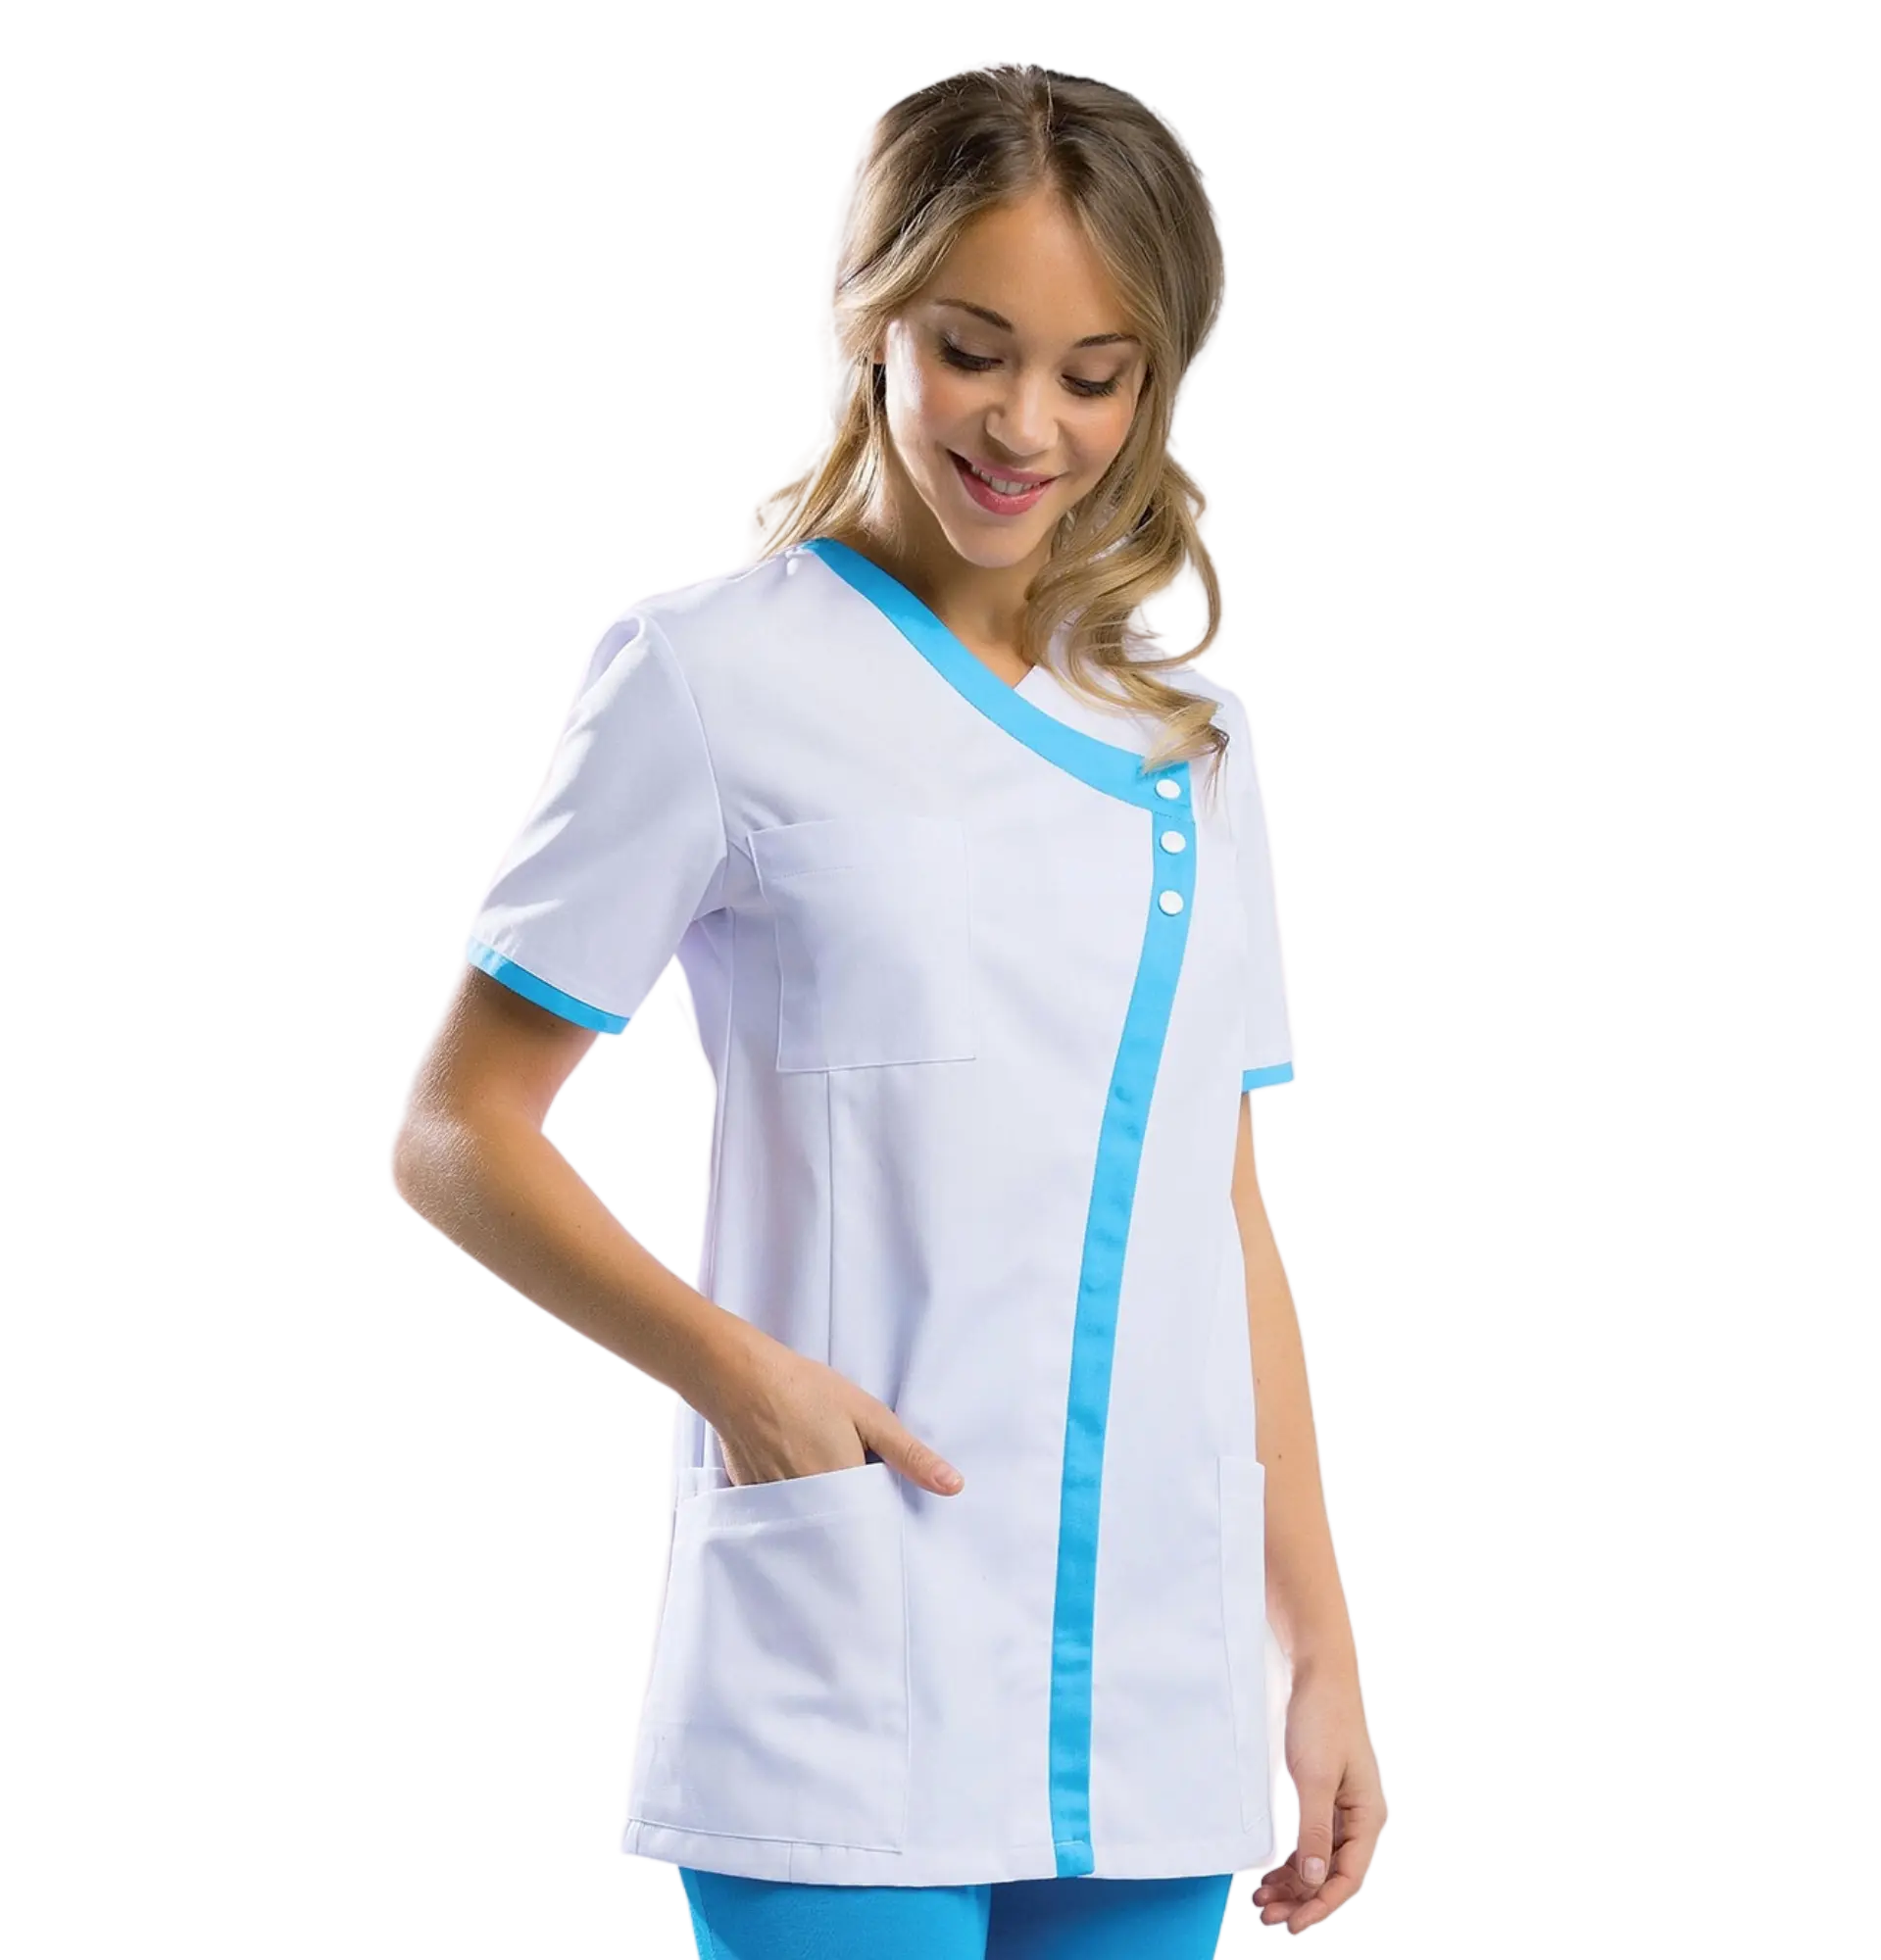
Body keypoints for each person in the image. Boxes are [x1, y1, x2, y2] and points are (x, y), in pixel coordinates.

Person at [385, 58, 1385, 1957]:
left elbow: (1225, 1207)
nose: (1025, 424)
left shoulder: (1195, 741)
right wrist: (741, 1382)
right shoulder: (707, 675)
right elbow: (456, 1129)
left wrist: (1315, 1652)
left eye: (1094, 374)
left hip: (1155, 1670)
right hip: (849, 1637)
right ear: (865, 316)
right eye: (971, 350)